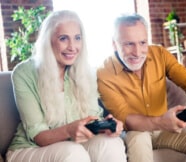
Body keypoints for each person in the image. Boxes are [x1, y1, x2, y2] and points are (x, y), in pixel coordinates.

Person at [97, 13, 186, 162]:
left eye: (142, 42)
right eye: (129, 44)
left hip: (165, 129)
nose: (137, 52)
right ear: (114, 44)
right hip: (135, 131)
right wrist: (162, 121)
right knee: (138, 140)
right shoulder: (104, 73)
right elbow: (126, 119)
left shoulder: (159, 54)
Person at [6, 10, 126, 162]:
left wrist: (107, 126)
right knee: (72, 152)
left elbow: (90, 120)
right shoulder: (24, 73)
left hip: (73, 145)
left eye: (77, 38)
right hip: (30, 148)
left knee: (111, 144)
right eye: (63, 38)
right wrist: (69, 130)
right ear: (48, 41)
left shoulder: (86, 71)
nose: (72, 47)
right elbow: (38, 136)